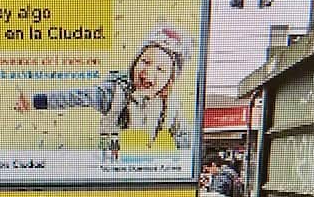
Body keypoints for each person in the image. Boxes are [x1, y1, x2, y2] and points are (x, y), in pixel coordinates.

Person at [16, 23, 193, 156]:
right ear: (135, 62)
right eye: (145, 62)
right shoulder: (114, 93)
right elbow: (77, 96)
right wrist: (35, 101)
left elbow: (185, 137)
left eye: (160, 69)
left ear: (170, 80)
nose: (148, 72)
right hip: (113, 166)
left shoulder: (171, 105)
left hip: (148, 170)